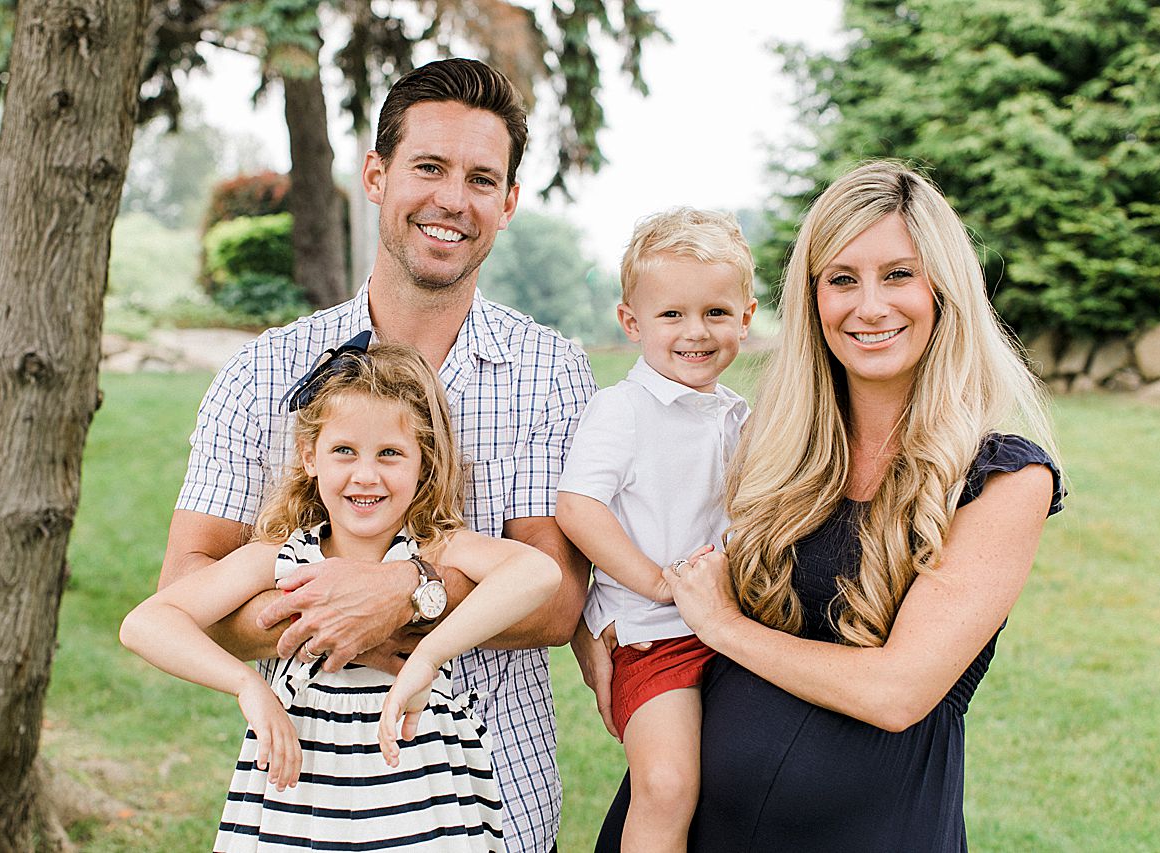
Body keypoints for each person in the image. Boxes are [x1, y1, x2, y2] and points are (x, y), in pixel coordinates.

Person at [162, 58, 594, 852]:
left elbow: (558, 594)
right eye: (429, 167)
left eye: (480, 178)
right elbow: (187, 586)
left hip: (495, 799)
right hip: (311, 804)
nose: (452, 200)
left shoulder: (550, 374)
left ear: (508, 204)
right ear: (376, 174)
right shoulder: (260, 374)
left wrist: (407, 593)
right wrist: (330, 611)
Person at [591, 161, 1065, 851]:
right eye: (842, 279)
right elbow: (612, 520)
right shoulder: (763, 444)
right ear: (813, 299)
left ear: (943, 289)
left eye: (898, 274)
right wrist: (594, 637)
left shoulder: (1001, 479)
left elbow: (897, 692)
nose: (869, 305)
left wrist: (724, 626)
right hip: (696, 828)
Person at [122, 342, 561, 850]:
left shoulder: (433, 546)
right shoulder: (282, 556)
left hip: (418, 793)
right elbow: (146, 624)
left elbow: (539, 572)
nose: (366, 475)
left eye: (390, 453)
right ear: (310, 456)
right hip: (303, 791)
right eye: (344, 451)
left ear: (424, 462)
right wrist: (247, 686)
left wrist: (431, 654)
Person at [555, 208, 755, 852]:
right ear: (632, 322)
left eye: (716, 313)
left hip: (734, 629)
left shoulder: (736, 414)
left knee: (739, 786)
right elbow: (579, 506)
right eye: (671, 315)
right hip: (651, 636)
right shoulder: (622, 410)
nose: (695, 332)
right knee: (666, 786)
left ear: (746, 319)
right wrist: (656, 583)